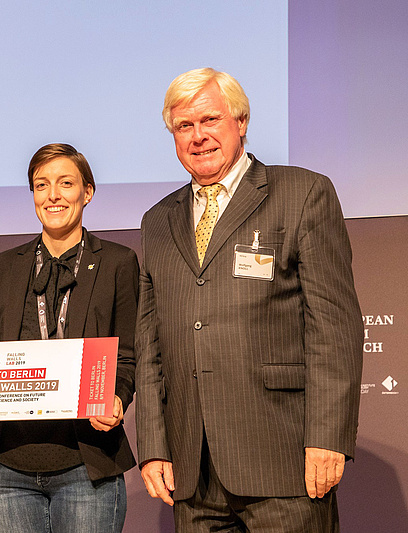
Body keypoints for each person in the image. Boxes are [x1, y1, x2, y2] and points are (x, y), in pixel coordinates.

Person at [135, 67, 363, 531]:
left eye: (210, 120)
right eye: (184, 126)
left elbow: (334, 329)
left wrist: (327, 437)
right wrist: (155, 444)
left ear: (241, 122)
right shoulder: (157, 220)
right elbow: (150, 345)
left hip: (286, 461)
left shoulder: (302, 193)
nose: (198, 137)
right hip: (194, 472)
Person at [0, 143, 139, 532]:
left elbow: (129, 353)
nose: (53, 195)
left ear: (87, 191)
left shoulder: (118, 262)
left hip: (86, 466)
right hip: (7, 470)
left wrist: (117, 396)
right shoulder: (4, 266)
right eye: (41, 185)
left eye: (65, 183)